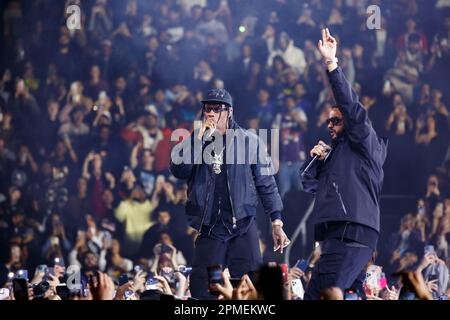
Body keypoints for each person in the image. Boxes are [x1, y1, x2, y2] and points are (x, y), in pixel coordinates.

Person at [170, 88, 290, 299]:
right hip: (211, 227)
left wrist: (276, 222)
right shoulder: (195, 140)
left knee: (249, 286)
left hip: (242, 225)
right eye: (208, 108)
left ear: (229, 112)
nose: (211, 114)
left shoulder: (249, 141)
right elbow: (179, 169)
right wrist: (197, 140)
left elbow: (266, 184)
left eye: (217, 109)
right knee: (203, 289)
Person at [300, 29, 388, 300]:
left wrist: (331, 64)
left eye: (336, 120)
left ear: (350, 122)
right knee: (346, 295)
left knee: (320, 294)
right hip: (339, 235)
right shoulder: (337, 154)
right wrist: (317, 162)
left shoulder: (364, 141)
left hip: (351, 232)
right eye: (328, 121)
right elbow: (311, 185)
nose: (330, 125)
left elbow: (350, 105)